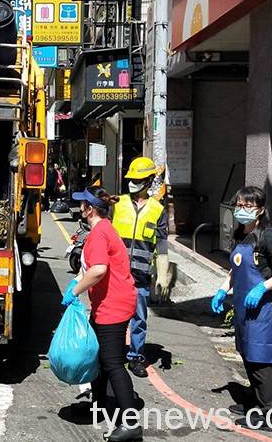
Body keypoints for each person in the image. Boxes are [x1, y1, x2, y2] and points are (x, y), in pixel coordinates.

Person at [211, 186, 272, 431]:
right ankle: (254, 400)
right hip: (242, 307)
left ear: (259, 210)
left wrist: (262, 288)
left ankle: (267, 413)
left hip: (262, 308)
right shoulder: (240, 234)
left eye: (248, 206)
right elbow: (235, 269)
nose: (242, 210)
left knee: (260, 360)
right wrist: (222, 289)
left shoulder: (268, 236)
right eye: (239, 205)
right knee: (246, 353)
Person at [61, 186, 142, 442]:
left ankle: (131, 424)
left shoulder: (98, 234)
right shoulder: (103, 229)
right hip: (109, 302)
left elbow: (98, 270)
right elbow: (90, 269)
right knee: (99, 359)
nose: (79, 208)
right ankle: (98, 407)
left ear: (90, 209)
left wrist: (75, 291)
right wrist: (78, 280)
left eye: (82, 204)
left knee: (113, 363)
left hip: (113, 305)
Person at [112, 156, 170, 378]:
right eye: (131, 179)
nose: (132, 183)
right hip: (117, 274)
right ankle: (114, 353)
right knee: (115, 316)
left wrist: (162, 275)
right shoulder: (117, 204)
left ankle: (136, 358)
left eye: (137, 179)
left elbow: (162, 245)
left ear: (148, 181)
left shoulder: (158, 210)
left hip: (141, 275)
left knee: (139, 319)